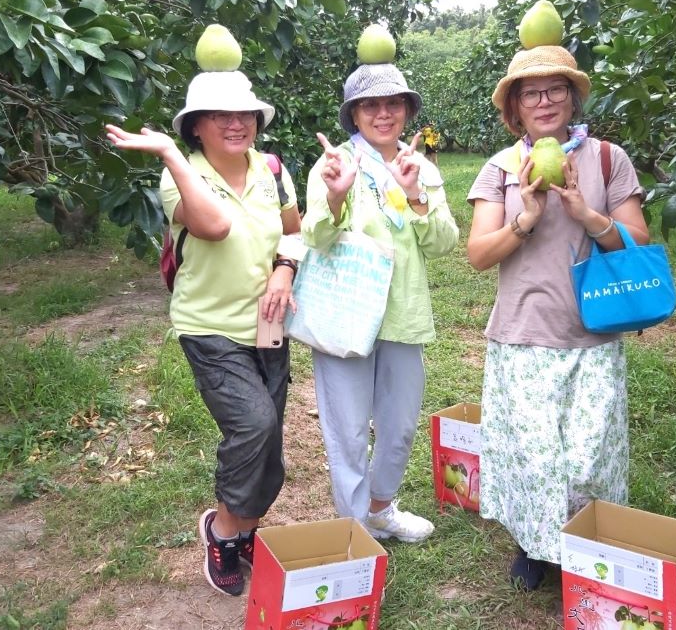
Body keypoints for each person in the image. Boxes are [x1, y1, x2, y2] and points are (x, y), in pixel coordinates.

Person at [105, 68, 300, 597]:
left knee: (270, 443)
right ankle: (221, 530)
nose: (235, 124)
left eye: (244, 114)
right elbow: (213, 227)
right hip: (209, 328)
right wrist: (169, 153)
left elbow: (294, 232)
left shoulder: (273, 169)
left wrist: (284, 268)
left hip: (267, 327)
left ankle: (249, 531)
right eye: (219, 115)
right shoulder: (180, 174)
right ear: (197, 127)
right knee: (254, 426)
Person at [465, 45, 649, 590]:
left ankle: (585, 543)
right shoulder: (500, 168)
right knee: (534, 453)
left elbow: (637, 242)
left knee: (589, 454)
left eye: (555, 89)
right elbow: (478, 254)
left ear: (572, 97)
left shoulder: (609, 159)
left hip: (592, 332)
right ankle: (533, 546)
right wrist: (527, 217)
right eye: (531, 92)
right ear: (515, 108)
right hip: (523, 332)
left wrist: (587, 214)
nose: (544, 101)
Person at [301, 57, 459, 542]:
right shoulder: (333, 165)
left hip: (402, 314)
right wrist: (333, 199)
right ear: (354, 114)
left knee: (398, 427)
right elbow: (315, 237)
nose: (383, 114)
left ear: (406, 111)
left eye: (393, 103)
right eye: (371, 105)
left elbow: (444, 243)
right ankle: (353, 534)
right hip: (346, 316)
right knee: (347, 432)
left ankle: (380, 508)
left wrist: (415, 196)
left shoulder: (422, 169)